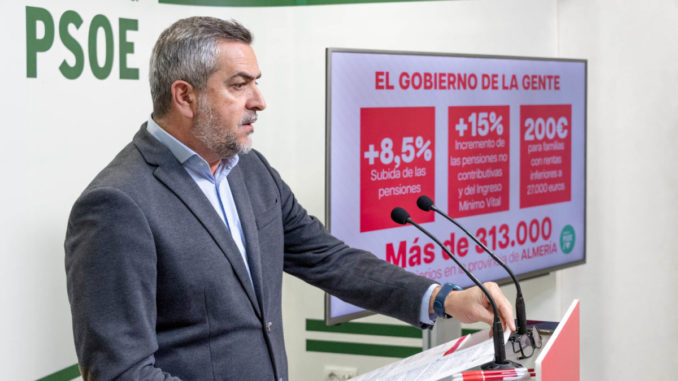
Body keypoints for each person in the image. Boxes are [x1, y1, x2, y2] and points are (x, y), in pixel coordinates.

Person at [65, 16, 515, 381]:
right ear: (184, 96)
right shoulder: (117, 205)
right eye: (239, 85)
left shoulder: (250, 170)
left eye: (256, 82)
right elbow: (120, 373)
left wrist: (444, 299)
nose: (259, 101)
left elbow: (328, 258)